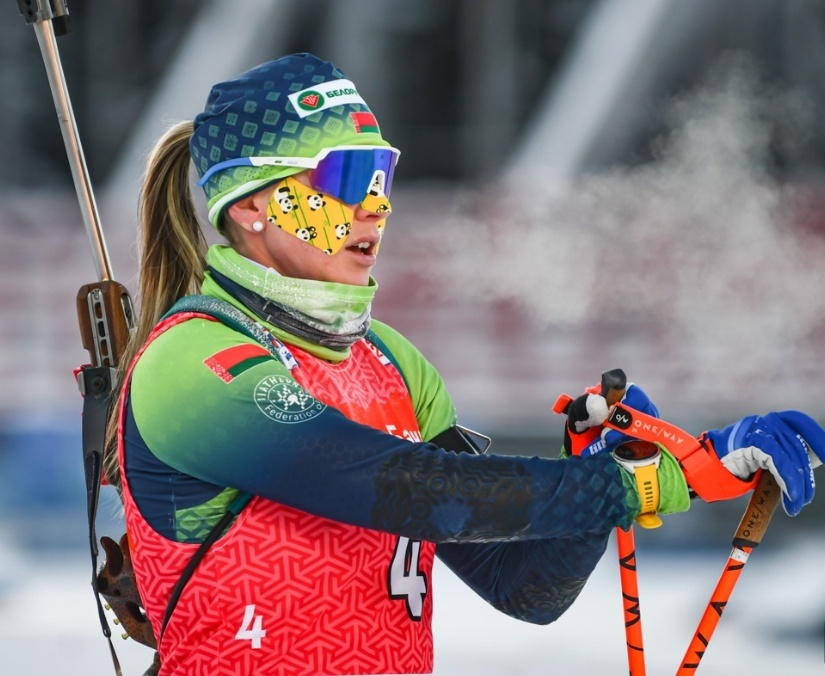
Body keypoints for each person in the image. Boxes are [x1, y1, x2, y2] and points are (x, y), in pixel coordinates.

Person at [103, 52, 825, 676]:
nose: (376, 207)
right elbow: (406, 488)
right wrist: (647, 482)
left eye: (382, 175)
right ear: (251, 205)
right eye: (349, 177)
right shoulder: (196, 359)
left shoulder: (393, 362)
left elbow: (521, 586)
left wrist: (600, 470)